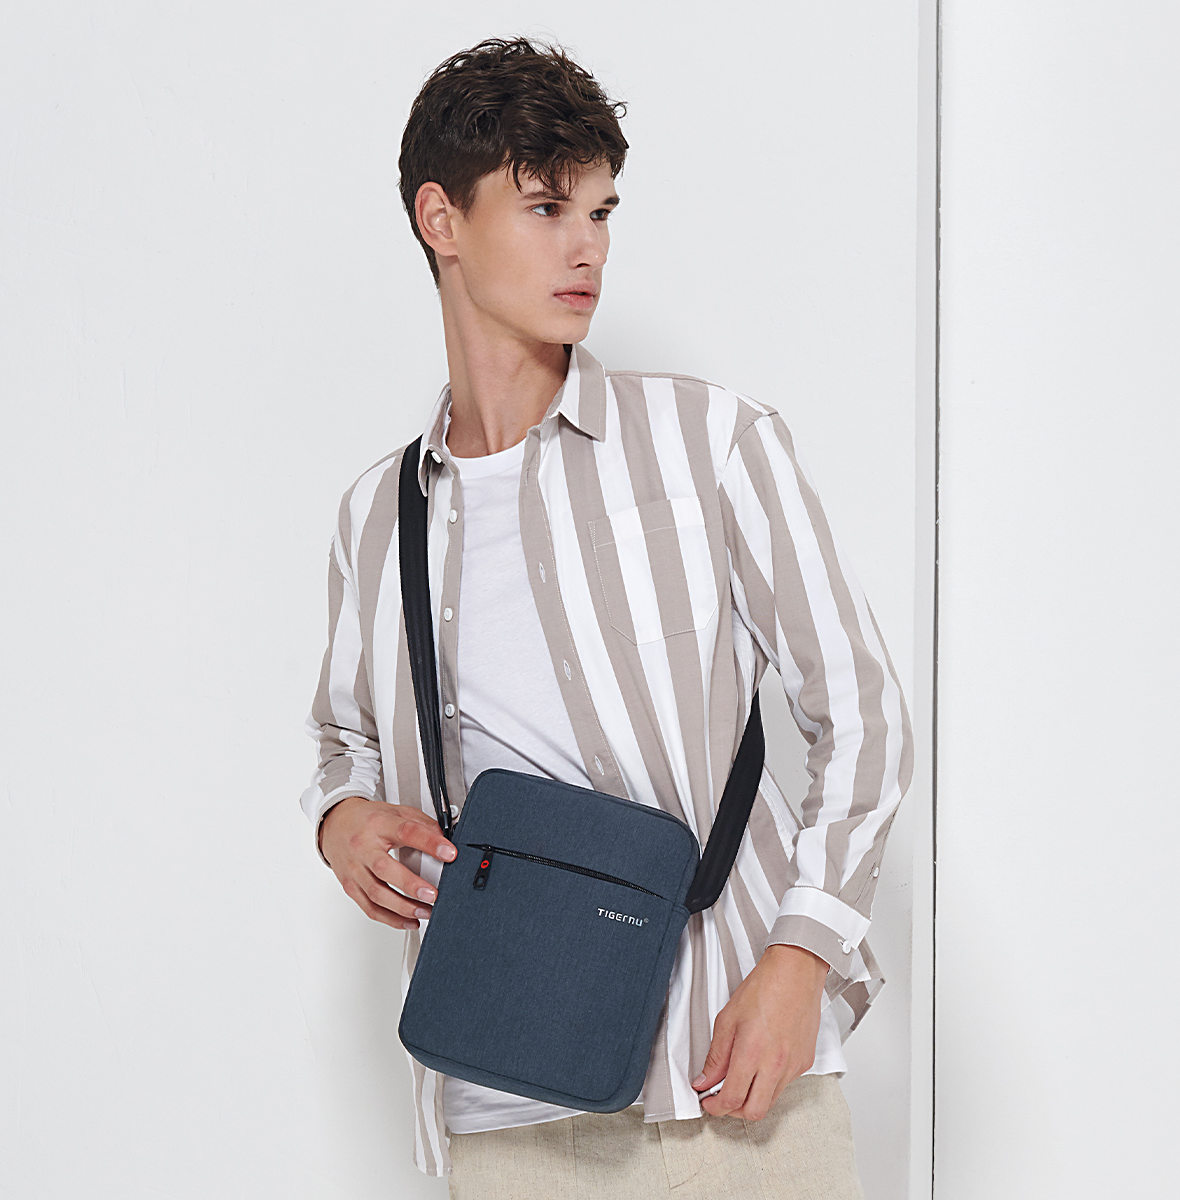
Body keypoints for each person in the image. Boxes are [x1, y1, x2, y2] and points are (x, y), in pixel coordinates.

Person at [300, 36, 912, 1200]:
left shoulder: (711, 443)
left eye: (600, 211)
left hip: (735, 1084)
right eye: (546, 208)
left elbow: (863, 712)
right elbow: (342, 739)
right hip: (504, 1106)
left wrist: (801, 956)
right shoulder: (378, 516)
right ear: (441, 219)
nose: (588, 247)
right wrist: (343, 822)